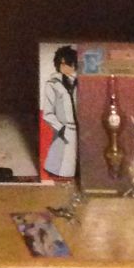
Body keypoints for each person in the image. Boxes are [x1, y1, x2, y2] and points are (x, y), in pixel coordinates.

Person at [42, 46, 78, 178]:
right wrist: (61, 128)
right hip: (63, 131)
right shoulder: (52, 84)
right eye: (62, 64)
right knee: (59, 167)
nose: (65, 67)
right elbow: (48, 113)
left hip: (80, 131)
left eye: (68, 63)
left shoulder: (80, 83)